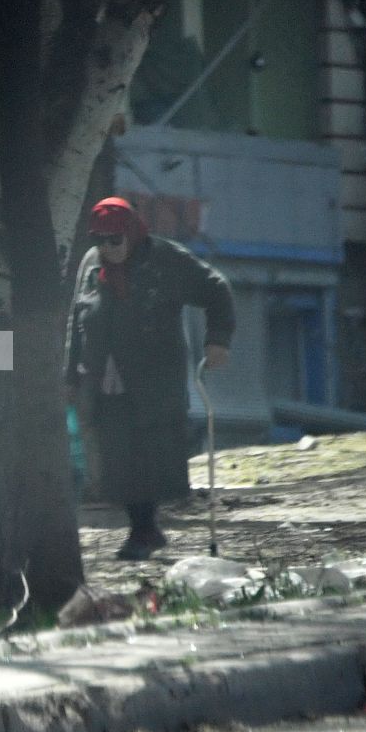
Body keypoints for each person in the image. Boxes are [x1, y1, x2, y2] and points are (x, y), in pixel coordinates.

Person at [64, 196, 235, 560]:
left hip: (153, 379)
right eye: (99, 240)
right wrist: (69, 375)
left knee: (151, 454)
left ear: (130, 232)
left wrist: (217, 341)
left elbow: (216, 288)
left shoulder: (165, 259)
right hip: (105, 377)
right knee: (116, 456)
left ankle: (145, 530)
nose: (107, 249)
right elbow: (75, 323)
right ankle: (143, 529)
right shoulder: (91, 265)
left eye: (115, 239)